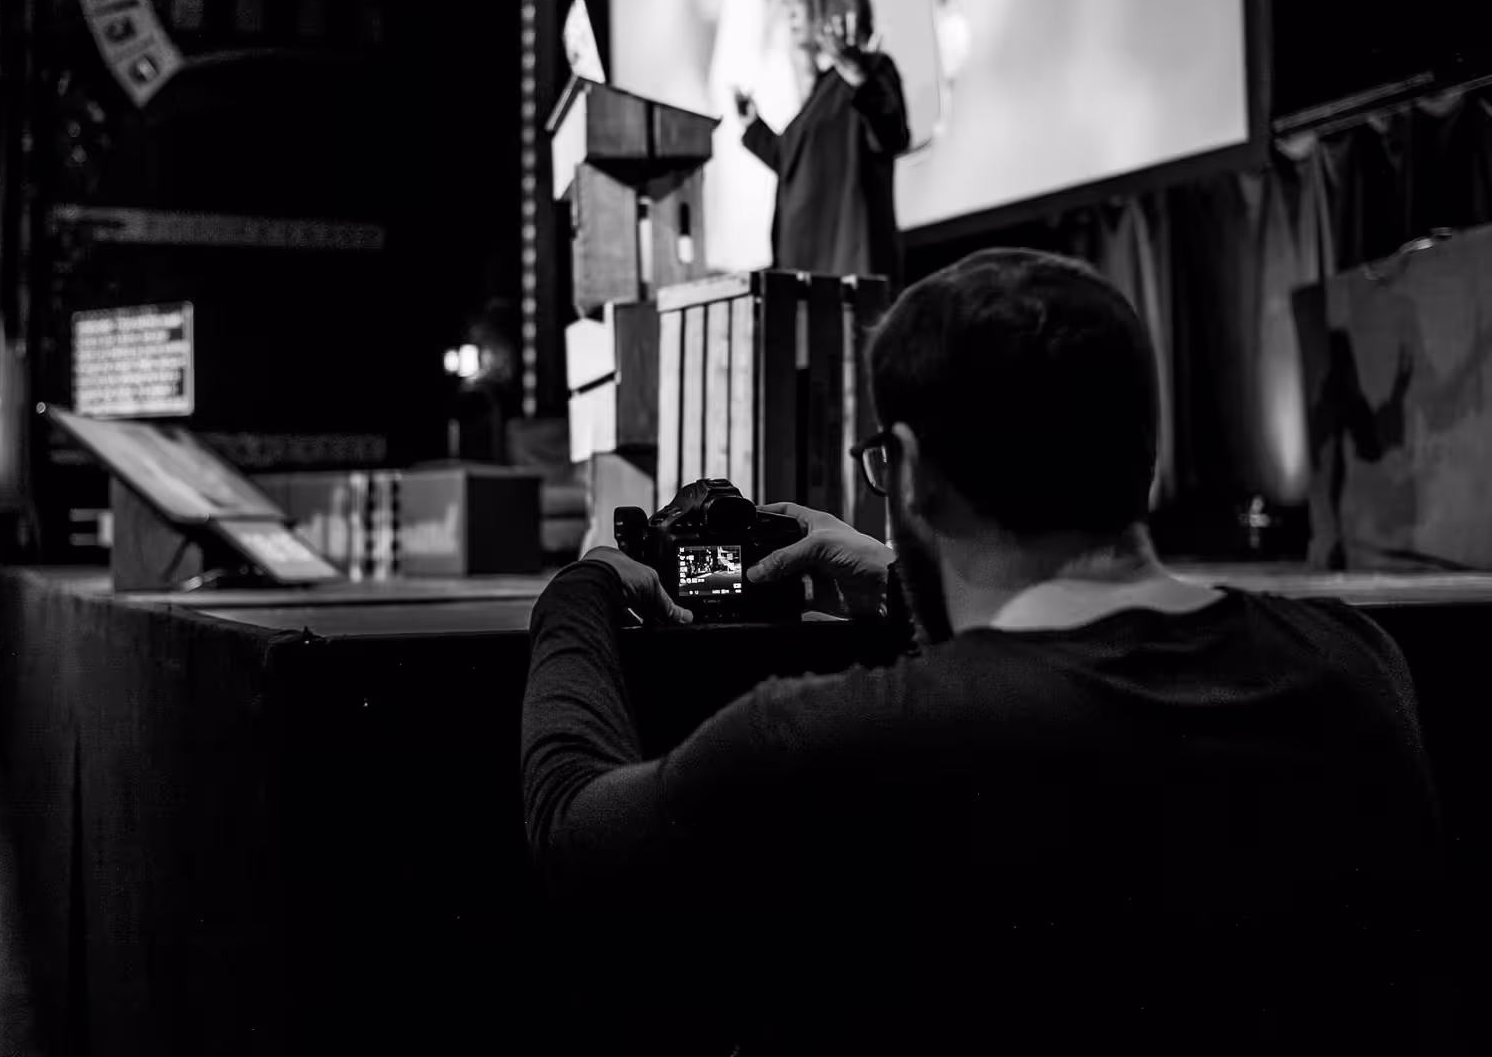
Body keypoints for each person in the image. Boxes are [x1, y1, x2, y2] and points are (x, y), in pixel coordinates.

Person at [522, 249, 1448, 1055]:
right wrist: (897, 582)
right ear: (1144, 457)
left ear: (912, 467)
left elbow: (573, 824)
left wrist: (587, 591)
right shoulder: (1355, 661)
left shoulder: (835, 743)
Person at [735, 0, 910, 283]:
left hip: (848, 263)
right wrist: (754, 127)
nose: (788, 16)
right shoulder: (822, 91)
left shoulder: (870, 70)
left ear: (830, 2)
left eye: (798, 3)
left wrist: (861, 80)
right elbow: (794, 162)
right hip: (805, 263)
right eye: (786, 6)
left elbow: (892, 136)